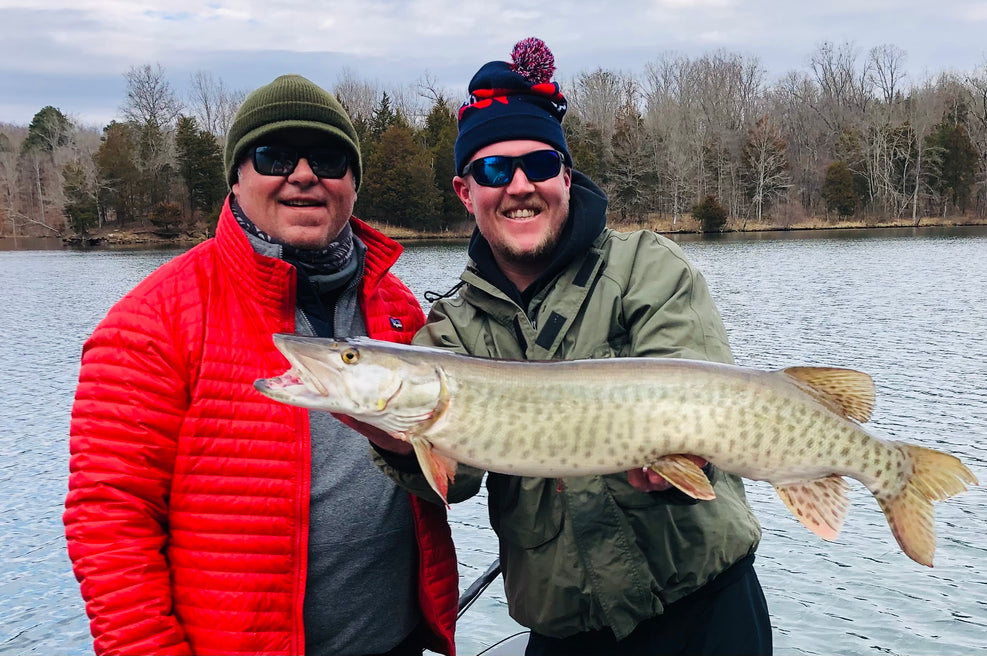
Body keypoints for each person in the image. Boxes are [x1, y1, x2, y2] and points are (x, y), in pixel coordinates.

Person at [369, 39, 771, 655]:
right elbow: (457, 480)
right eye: (495, 170)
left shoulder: (647, 267)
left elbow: (702, 398)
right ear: (465, 190)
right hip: (565, 633)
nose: (519, 186)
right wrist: (388, 435)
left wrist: (676, 458)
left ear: (565, 172)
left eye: (538, 163)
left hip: (705, 613)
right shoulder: (452, 330)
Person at [64, 74, 457, 656]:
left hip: (398, 642)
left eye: (327, 159)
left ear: (352, 183)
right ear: (237, 177)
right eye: (275, 156)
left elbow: (448, 469)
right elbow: (109, 525)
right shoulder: (150, 320)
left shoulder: (397, 308)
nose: (304, 175)